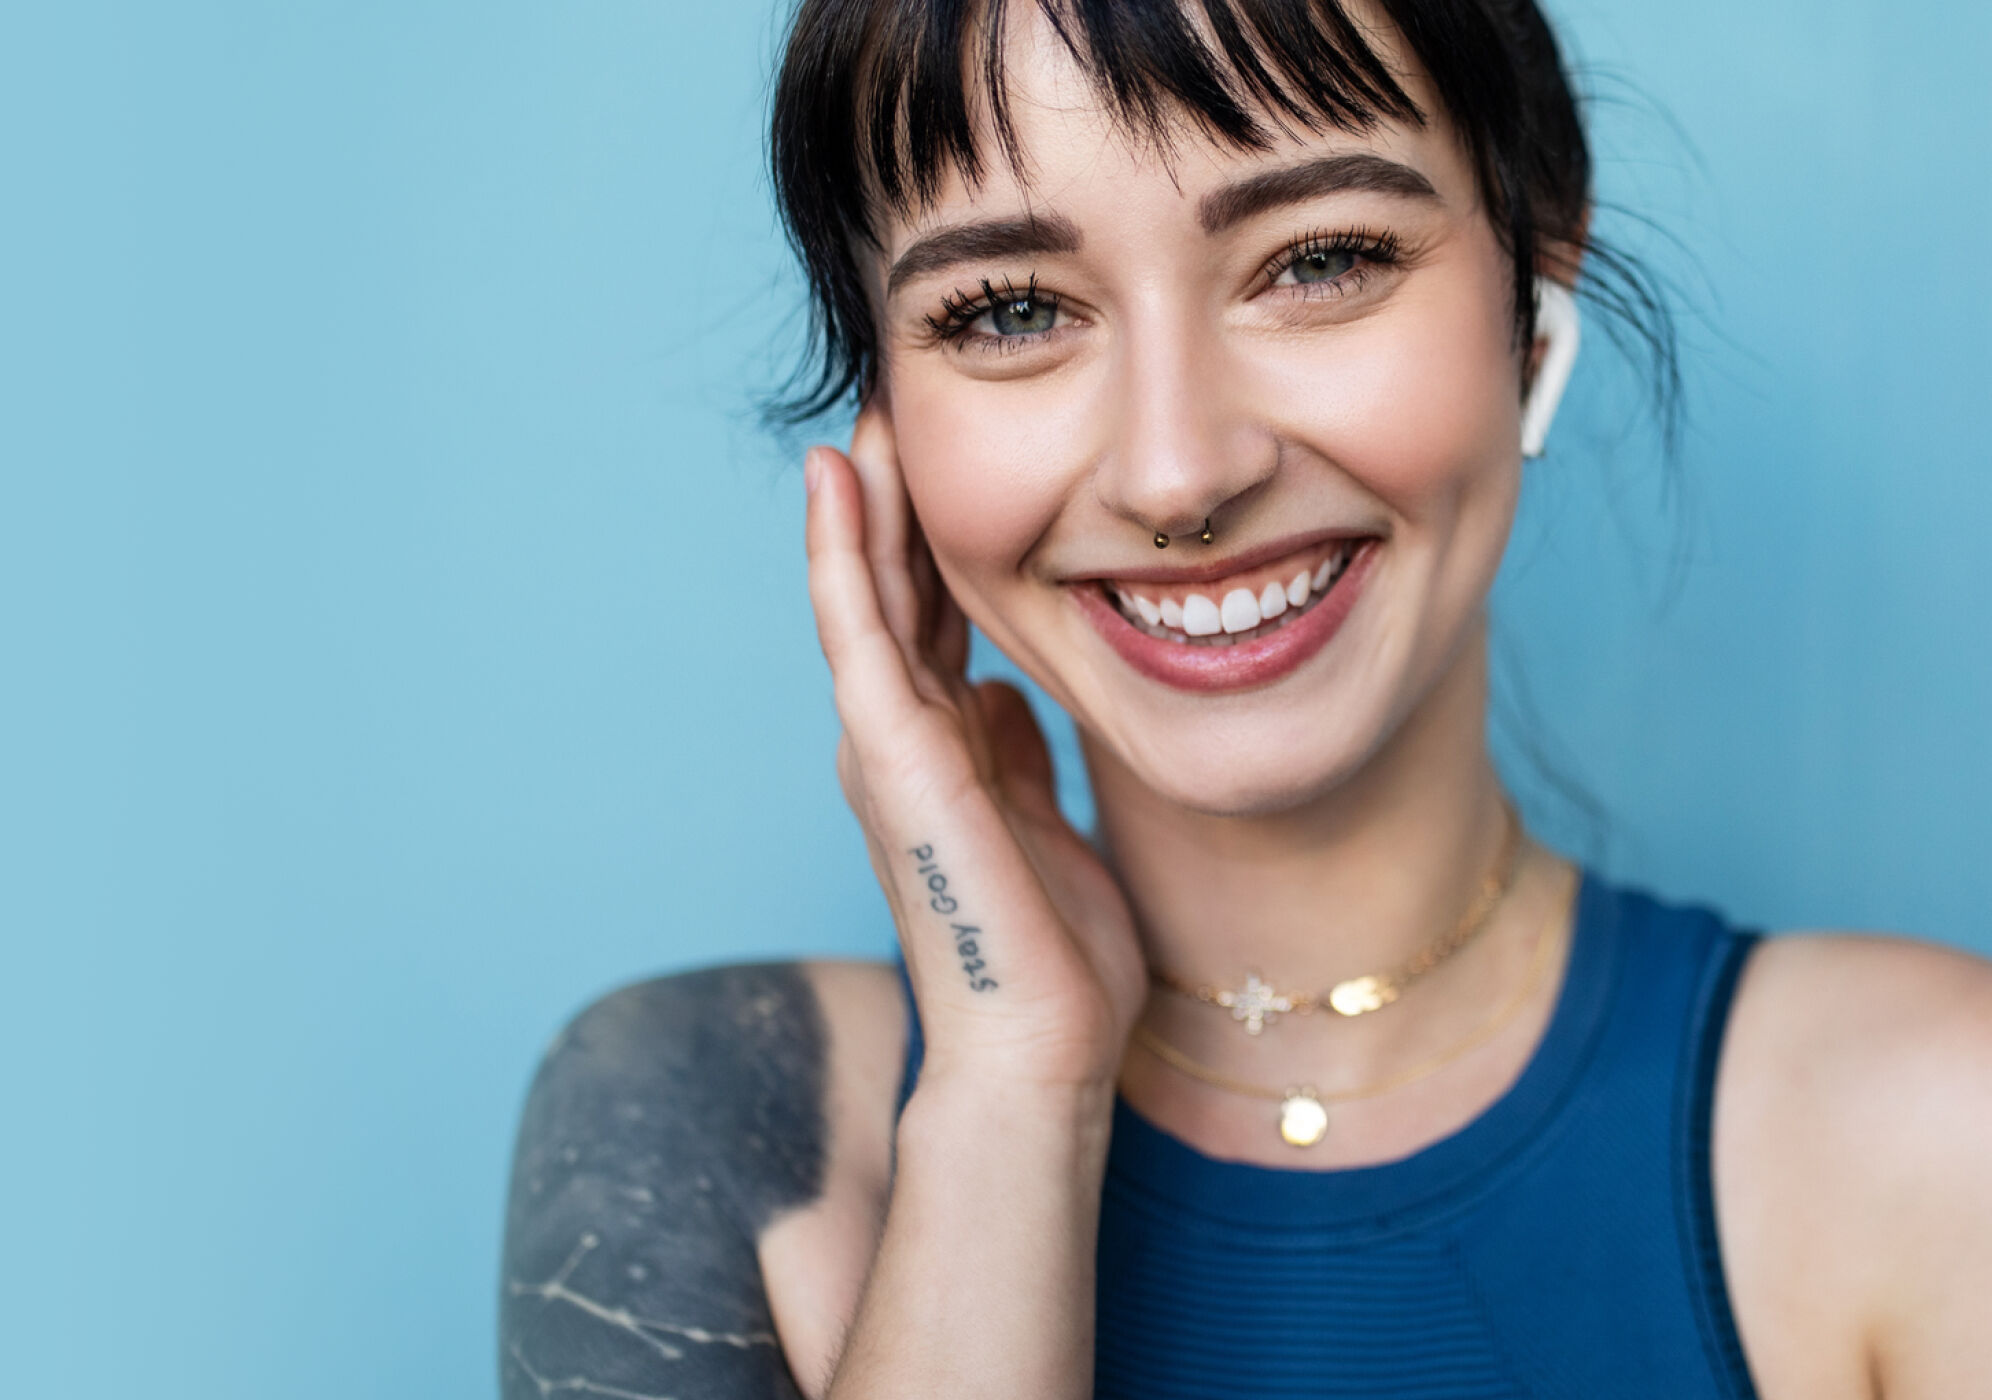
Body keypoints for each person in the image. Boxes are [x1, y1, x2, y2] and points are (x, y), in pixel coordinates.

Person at [496, 1, 1992, 1396]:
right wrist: (1015, 1093)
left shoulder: (1940, 1131)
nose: (1178, 470)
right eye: (1010, 310)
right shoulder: (721, 1121)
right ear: (887, 420)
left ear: (1535, 295)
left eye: (1320, 259)